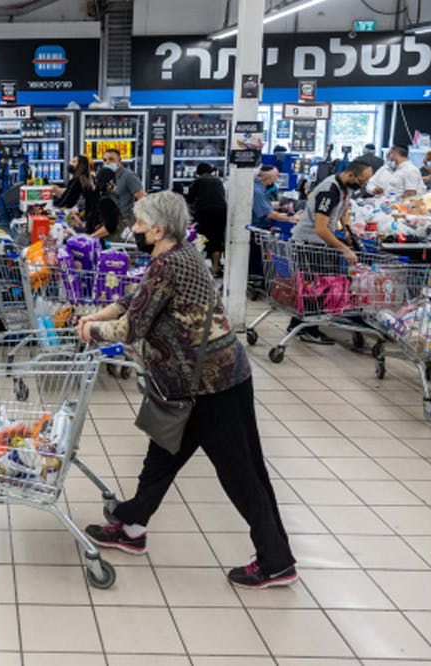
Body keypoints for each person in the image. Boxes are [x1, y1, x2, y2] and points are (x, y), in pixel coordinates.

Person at [76, 191, 296, 589]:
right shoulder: (181, 253)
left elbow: (133, 328)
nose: (135, 228)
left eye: (141, 223)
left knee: (242, 473)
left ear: (158, 229)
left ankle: (276, 560)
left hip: (214, 385)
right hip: (192, 381)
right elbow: (138, 300)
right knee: (161, 458)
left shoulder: (169, 264)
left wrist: (89, 329)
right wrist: (102, 312)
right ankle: (132, 527)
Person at [288, 160, 375, 345]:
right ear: (351, 174)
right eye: (362, 181)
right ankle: (309, 329)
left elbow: (344, 209)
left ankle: (297, 325)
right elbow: (320, 229)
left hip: (319, 243)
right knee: (315, 287)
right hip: (308, 243)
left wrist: (347, 228)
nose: (363, 186)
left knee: (315, 287)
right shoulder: (330, 190)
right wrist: (343, 248)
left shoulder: (346, 187)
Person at [185, 163, 227, 276]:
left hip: (204, 213)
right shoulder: (218, 180)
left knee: (201, 239)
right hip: (221, 213)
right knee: (217, 240)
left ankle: (199, 267)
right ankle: (216, 268)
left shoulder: (198, 181)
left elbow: (189, 199)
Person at [53, 154, 110, 239]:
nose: (70, 163)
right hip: (93, 222)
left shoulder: (79, 180)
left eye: (74, 162)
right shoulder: (89, 179)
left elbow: (66, 200)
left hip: (91, 223)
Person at [102, 148, 146, 239]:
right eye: (105, 160)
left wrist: (140, 223)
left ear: (120, 161)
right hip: (110, 220)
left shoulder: (129, 176)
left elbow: (142, 199)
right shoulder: (107, 176)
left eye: (111, 159)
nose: (107, 163)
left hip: (125, 221)